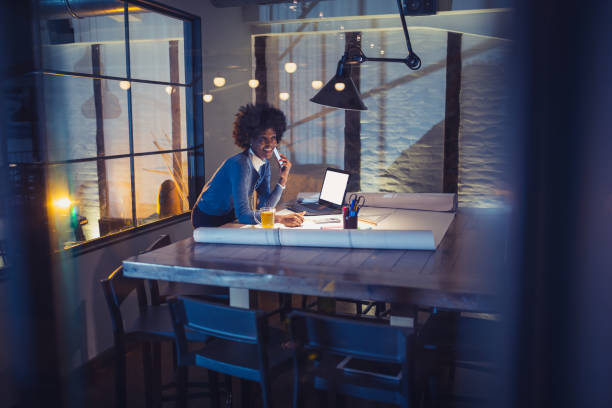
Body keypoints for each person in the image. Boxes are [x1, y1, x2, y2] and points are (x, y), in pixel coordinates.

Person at [192, 103, 304, 228]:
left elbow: (265, 207)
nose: (270, 144)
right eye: (263, 138)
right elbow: (244, 215)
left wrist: (283, 179)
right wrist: (280, 218)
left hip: (229, 214)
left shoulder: (264, 164)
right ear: (250, 139)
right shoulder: (241, 164)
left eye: (273, 138)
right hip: (208, 217)